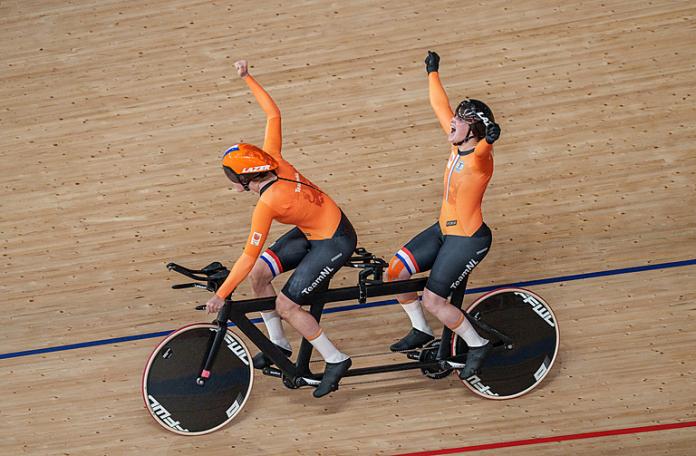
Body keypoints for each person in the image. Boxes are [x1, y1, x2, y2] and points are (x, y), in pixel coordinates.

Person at [205, 60, 356, 398]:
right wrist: (248, 78)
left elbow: (247, 254)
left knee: (288, 306)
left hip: (334, 240)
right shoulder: (272, 156)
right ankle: (278, 344)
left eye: (233, 177)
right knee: (260, 275)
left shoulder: (269, 203)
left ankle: (336, 359)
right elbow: (273, 114)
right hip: (313, 228)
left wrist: (222, 293)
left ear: (246, 179)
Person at [385, 51, 501, 379]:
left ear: (475, 132)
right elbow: (440, 106)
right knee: (394, 272)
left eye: (461, 121)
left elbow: (483, 151)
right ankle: (420, 329)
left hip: (467, 239)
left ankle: (477, 345)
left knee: (436, 300)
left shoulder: (479, 157)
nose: (453, 121)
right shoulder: (457, 145)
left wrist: (490, 141)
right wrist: (433, 73)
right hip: (443, 229)